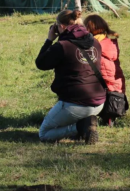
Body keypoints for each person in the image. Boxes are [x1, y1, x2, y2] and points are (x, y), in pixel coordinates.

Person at [35, 10, 105, 144]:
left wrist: (49, 39)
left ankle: (81, 127)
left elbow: (41, 63)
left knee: (44, 134)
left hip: (74, 104)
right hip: (99, 102)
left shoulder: (63, 46)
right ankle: (86, 123)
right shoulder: (95, 42)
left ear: (61, 26)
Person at [84, 14, 126, 126]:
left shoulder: (94, 46)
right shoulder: (110, 43)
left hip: (104, 87)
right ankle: (109, 118)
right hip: (116, 86)